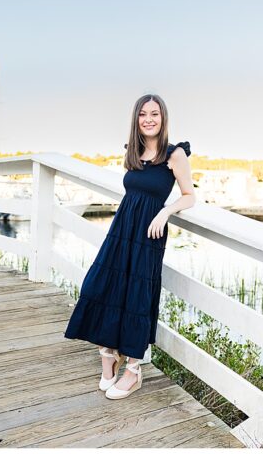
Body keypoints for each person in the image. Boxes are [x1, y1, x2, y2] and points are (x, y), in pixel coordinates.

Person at [64, 94, 195, 399]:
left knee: (137, 296)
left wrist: (166, 211)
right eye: (143, 114)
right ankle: (108, 352)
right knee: (101, 286)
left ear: (163, 119)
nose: (149, 119)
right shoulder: (133, 153)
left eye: (155, 114)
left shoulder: (174, 155)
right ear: (136, 119)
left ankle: (134, 369)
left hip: (149, 232)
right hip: (122, 227)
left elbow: (189, 195)